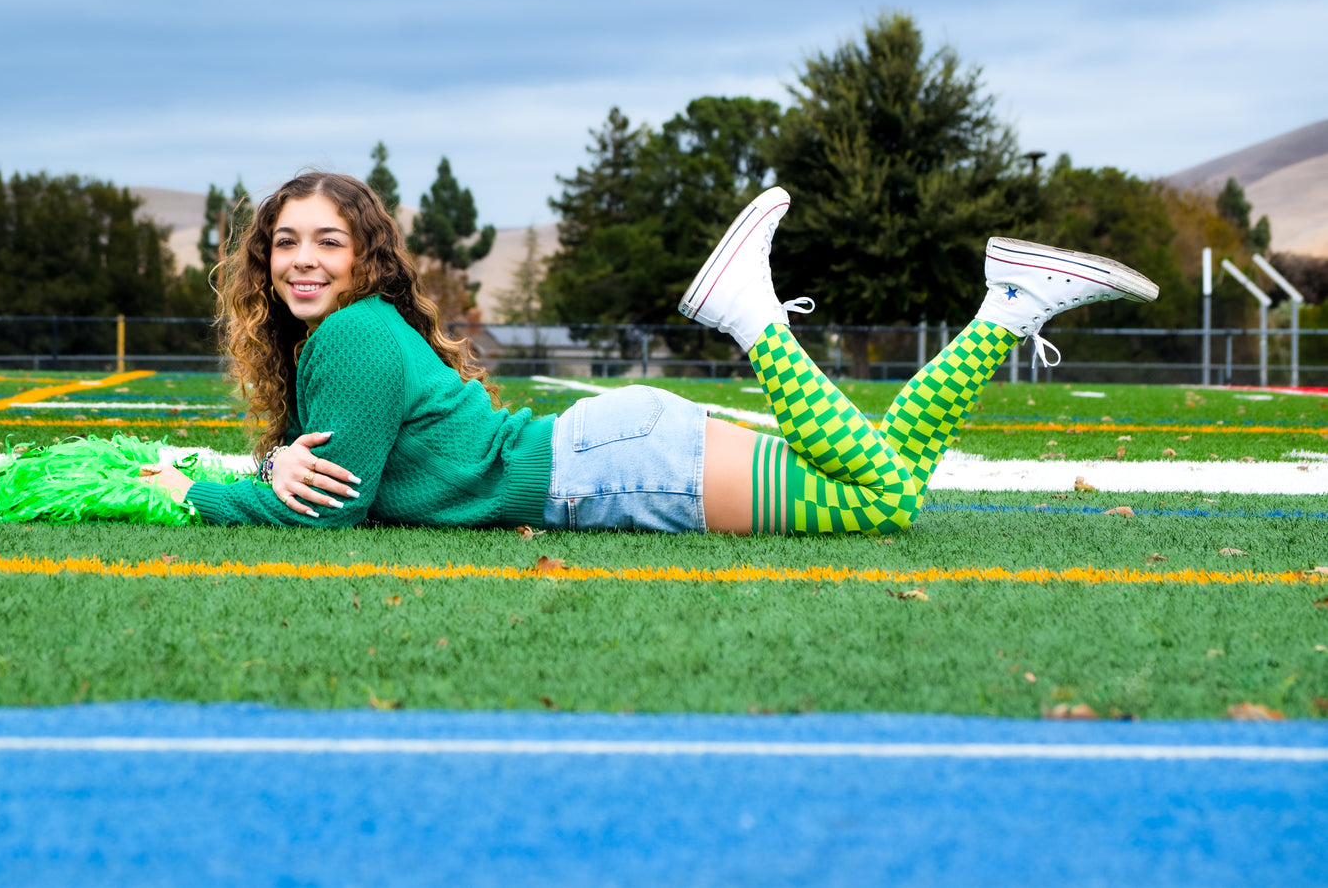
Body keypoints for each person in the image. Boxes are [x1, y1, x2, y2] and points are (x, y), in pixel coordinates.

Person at [141, 172, 1157, 535]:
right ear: (260, 257)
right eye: (285, 241)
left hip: (609, 472)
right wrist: (266, 462)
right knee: (883, 479)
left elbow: (332, 505)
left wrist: (192, 494)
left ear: (366, 254)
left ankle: (751, 315)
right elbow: (319, 470)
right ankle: (1010, 303)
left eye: (327, 240)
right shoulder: (354, 335)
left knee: (880, 501)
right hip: (610, 450)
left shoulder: (350, 333)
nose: (302, 260)